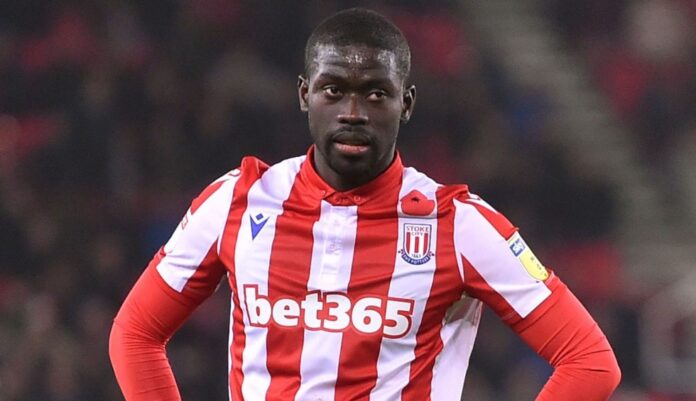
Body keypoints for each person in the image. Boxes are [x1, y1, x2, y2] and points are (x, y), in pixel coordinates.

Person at [109, 8, 621, 401]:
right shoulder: (236, 203)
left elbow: (591, 362)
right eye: (334, 90)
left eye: (376, 94)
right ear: (305, 95)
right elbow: (135, 334)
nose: (352, 112)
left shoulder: (458, 226)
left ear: (407, 103)